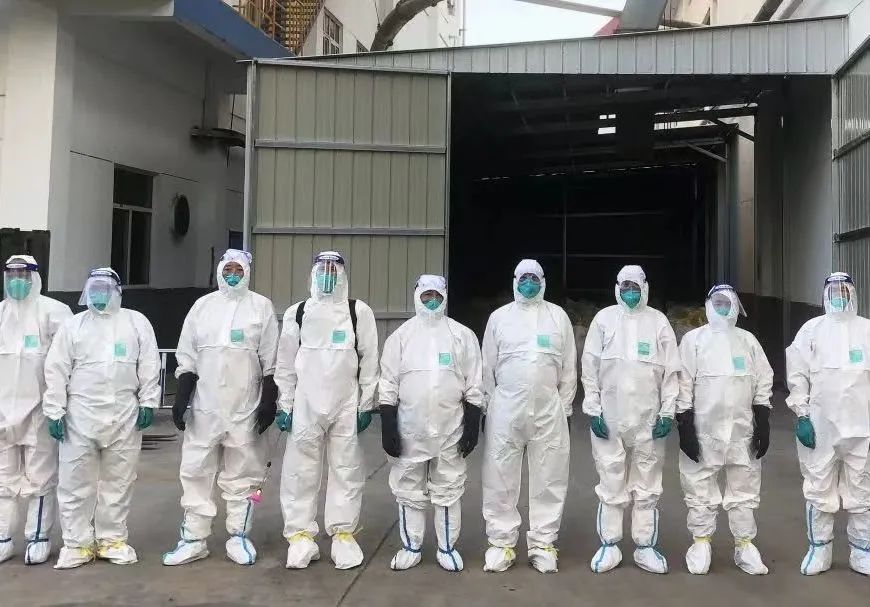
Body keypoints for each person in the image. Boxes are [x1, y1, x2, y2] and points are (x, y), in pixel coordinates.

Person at [162, 249, 279, 567]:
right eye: (227, 269)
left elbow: (271, 359)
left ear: (247, 273)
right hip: (205, 408)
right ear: (218, 271)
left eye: (238, 270)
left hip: (245, 407)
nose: (232, 275)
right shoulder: (203, 306)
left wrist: (268, 400)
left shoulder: (261, 307)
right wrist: (182, 396)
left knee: (244, 472)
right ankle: (192, 539)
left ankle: (239, 536)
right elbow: (187, 354)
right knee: (195, 471)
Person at [43, 268, 160, 569]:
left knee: (118, 481)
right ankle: (77, 543)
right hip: (80, 416)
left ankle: (112, 540)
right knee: (75, 482)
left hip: (124, 415)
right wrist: (54, 410)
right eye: (93, 289)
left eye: (104, 289)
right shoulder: (74, 326)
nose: (98, 295)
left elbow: (149, 363)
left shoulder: (136, 322)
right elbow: (56, 369)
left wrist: (148, 401)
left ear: (118, 292)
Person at [276, 251, 379, 570]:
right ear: (313, 274)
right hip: (306, 404)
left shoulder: (357, 312)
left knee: (346, 469)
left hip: (345, 403)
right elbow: (285, 362)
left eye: (334, 272)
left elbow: (370, 359)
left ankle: (343, 534)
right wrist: (285, 404)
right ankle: (300, 536)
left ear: (343, 276)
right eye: (322, 271)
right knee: (299, 470)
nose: (328, 277)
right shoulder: (298, 312)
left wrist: (366, 403)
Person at [379, 275, 483, 572]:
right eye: (427, 296)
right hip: (409, 429)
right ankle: (411, 546)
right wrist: (388, 425)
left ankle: (446, 547)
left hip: (451, 428)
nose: (432, 301)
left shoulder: (462, 335)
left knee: (448, 487)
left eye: (437, 295)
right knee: (408, 487)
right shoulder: (401, 337)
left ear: (445, 297)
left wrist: (472, 423)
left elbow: (474, 383)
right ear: (417, 297)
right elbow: (388, 383)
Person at [581, 265, 680, 575]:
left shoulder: (658, 322)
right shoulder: (604, 320)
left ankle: (645, 545)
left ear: (645, 288)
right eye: (625, 286)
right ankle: (609, 544)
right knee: (610, 477)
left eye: (635, 287)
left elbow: (672, 371)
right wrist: (593, 408)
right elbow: (589, 366)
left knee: (647, 482)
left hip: (648, 420)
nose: (630, 292)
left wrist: (668, 411)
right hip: (610, 418)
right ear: (617, 288)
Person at [481, 259, 577, 574]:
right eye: (523, 278)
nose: (529, 284)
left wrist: (565, 407)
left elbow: (569, 368)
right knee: (500, 475)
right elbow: (487, 366)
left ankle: (543, 544)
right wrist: (488, 405)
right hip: (506, 409)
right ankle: (501, 543)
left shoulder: (558, 317)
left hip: (548, 410)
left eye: (534, 278)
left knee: (549, 476)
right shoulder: (499, 318)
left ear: (543, 281)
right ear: (514, 281)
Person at [676, 284, 773, 575]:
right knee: (699, 486)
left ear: (736, 307)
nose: (722, 308)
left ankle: (745, 545)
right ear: (708, 306)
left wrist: (763, 419)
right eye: (717, 302)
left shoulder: (747, 340)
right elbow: (683, 381)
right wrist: (684, 424)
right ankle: (701, 542)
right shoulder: (694, 340)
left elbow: (763, 378)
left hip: (742, 430)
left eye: (727, 303)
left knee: (744, 486)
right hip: (704, 429)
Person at [786, 271, 870, 576]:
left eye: (843, 292)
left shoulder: (866, 329)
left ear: (853, 294)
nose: (838, 297)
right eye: (833, 292)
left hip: (862, 428)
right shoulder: (811, 330)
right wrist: (802, 415)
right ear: (824, 295)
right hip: (821, 427)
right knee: (819, 487)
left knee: (862, 491)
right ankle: (819, 548)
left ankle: (862, 552)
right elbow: (797, 375)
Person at [0, 256, 72, 566]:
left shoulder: (54, 312)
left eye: (22, 274)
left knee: (40, 478)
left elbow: (65, 364)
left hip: (40, 413)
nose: (17, 280)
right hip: (3, 413)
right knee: (3, 479)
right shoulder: (0, 314)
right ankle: (3, 537)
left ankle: (38, 536)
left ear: (35, 277)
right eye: (11, 274)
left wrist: (58, 407)